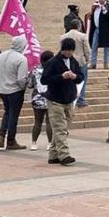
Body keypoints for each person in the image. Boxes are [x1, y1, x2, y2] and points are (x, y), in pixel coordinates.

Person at [42, 38, 85, 166]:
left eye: (71, 51)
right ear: (63, 50)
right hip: (55, 99)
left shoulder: (73, 61)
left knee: (64, 128)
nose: (69, 53)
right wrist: (61, 76)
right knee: (59, 127)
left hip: (69, 98)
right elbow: (45, 79)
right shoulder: (53, 62)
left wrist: (74, 76)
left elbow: (81, 77)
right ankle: (64, 155)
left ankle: (53, 155)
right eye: (67, 51)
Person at [0, 34, 29, 149]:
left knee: (7, 112)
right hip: (15, 90)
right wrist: (23, 87)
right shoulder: (21, 59)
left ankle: (1, 135)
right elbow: (21, 79)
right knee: (13, 115)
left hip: (2, 90)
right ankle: (11, 140)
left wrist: (0, 82)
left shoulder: (1, 55)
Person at [59, 19, 93, 107]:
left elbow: (61, 50)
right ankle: (81, 100)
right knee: (82, 81)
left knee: (68, 81)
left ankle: (69, 99)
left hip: (67, 61)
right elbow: (87, 50)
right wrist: (88, 60)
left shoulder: (63, 37)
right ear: (79, 26)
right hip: (80, 61)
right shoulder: (83, 36)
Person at [28, 51, 53, 150]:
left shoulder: (35, 70)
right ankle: (50, 143)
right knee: (49, 121)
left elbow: (30, 84)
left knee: (37, 121)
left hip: (37, 98)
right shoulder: (53, 70)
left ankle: (34, 143)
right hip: (50, 97)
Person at [89, 0, 109, 69]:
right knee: (94, 46)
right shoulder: (96, 6)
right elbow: (92, 15)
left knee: (106, 47)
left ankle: (106, 64)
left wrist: (103, 8)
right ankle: (93, 63)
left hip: (105, 31)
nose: (99, 0)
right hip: (96, 29)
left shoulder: (108, 6)